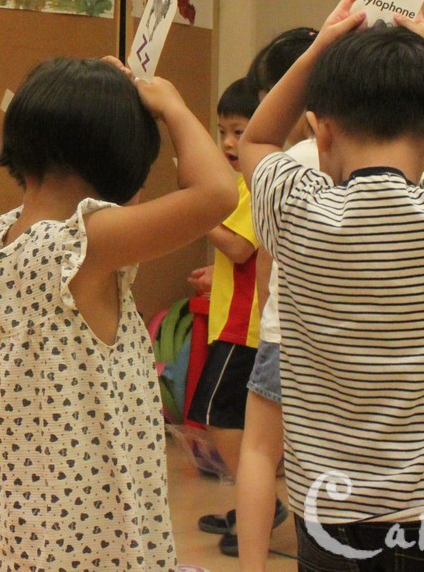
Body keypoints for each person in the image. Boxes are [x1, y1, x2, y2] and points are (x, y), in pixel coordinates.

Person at [239, 0, 424, 568]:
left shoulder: (296, 206)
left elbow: (257, 138)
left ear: (322, 132)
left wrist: (319, 49)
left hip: (331, 512)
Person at [0, 56, 238, 569]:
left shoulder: (4, 236)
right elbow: (217, 193)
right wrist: (171, 105)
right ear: (121, 165)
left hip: (23, 501)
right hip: (85, 517)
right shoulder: (84, 243)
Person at [225, 26, 318, 568]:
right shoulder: (388, 158)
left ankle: (253, 564)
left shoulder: (284, 164)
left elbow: (266, 260)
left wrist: (268, 317)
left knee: (259, 452)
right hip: (354, 341)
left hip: (287, 334)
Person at [186, 78, 261, 520]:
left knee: (218, 418)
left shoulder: (254, 183)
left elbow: (239, 247)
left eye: (239, 131)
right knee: (233, 421)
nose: (229, 142)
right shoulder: (241, 184)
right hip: (233, 321)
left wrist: (197, 211)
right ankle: (251, 508)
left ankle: (262, 506)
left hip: (243, 327)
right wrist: (218, 275)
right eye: (222, 132)